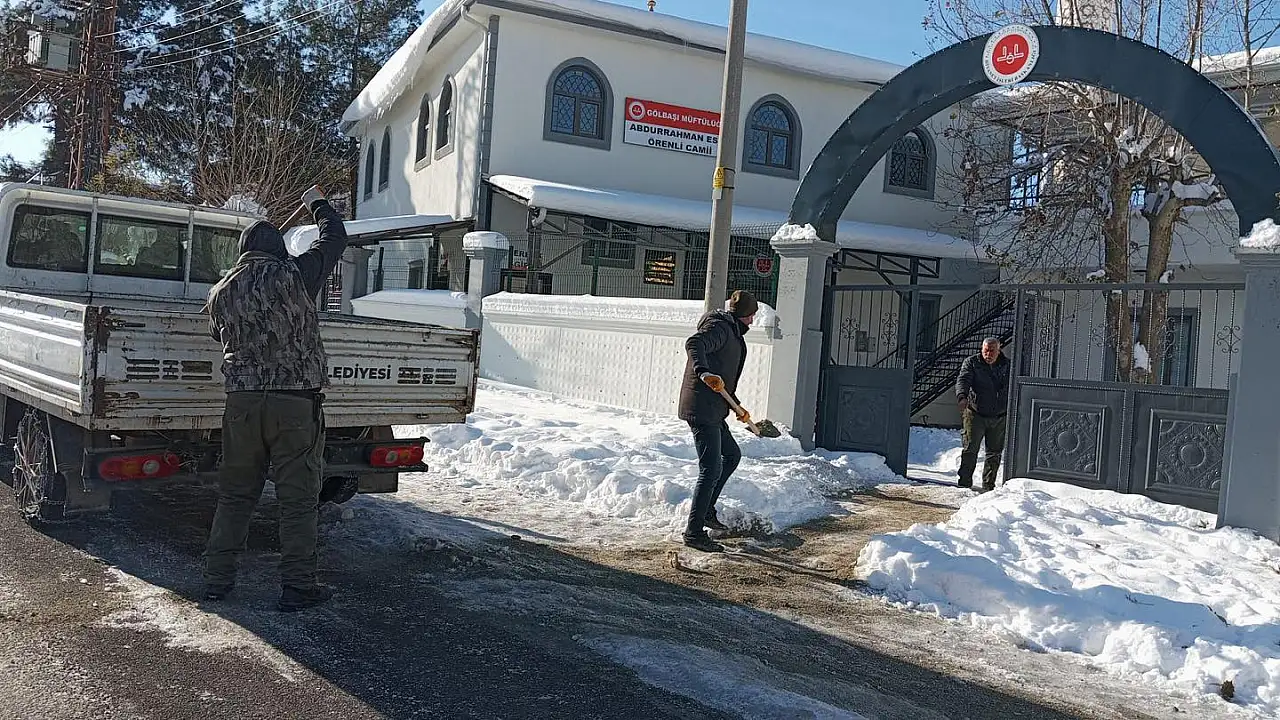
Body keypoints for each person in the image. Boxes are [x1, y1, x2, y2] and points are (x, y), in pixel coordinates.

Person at [202, 186, 348, 612]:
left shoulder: (221, 291)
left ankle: (216, 581)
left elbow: (219, 336)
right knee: (298, 499)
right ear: (279, 250)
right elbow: (334, 237)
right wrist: (317, 203)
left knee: (235, 495)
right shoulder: (297, 274)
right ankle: (297, 586)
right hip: (294, 405)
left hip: (242, 405)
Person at [677, 290, 758, 553]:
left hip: (714, 407)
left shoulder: (731, 331)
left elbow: (721, 377)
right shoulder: (720, 327)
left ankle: (707, 510)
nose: (752, 322)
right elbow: (694, 344)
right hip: (702, 409)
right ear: (744, 315)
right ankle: (694, 532)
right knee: (710, 468)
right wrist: (703, 372)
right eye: (751, 316)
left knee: (731, 455)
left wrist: (736, 405)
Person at [955, 337, 1011, 492]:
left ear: (999, 351)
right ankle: (964, 483)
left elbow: (1014, 386)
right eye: (985, 350)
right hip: (975, 413)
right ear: (981, 349)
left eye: (992, 350)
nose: (988, 353)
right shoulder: (972, 363)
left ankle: (988, 486)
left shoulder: (1007, 366)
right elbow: (963, 380)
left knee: (994, 452)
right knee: (970, 448)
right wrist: (962, 396)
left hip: (999, 415)